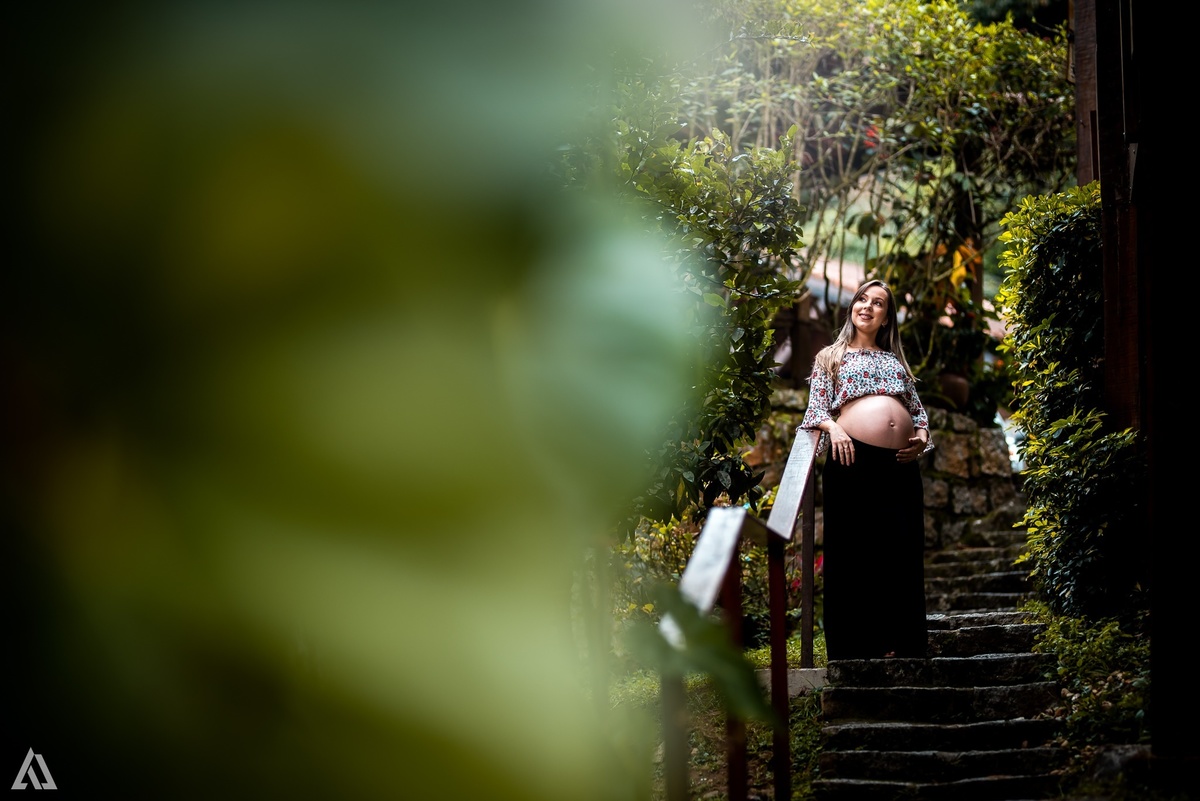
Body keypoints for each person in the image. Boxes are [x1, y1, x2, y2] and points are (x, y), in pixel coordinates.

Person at [798, 279, 934, 660]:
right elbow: (815, 411)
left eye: (878, 303)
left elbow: (919, 415)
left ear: (886, 318)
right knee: (854, 552)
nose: (868, 306)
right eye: (863, 299)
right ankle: (856, 648)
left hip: (900, 465)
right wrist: (835, 428)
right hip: (851, 459)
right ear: (852, 307)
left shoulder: (896, 363)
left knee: (901, 550)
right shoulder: (830, 356)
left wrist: (921, 436)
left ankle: (901, 643)